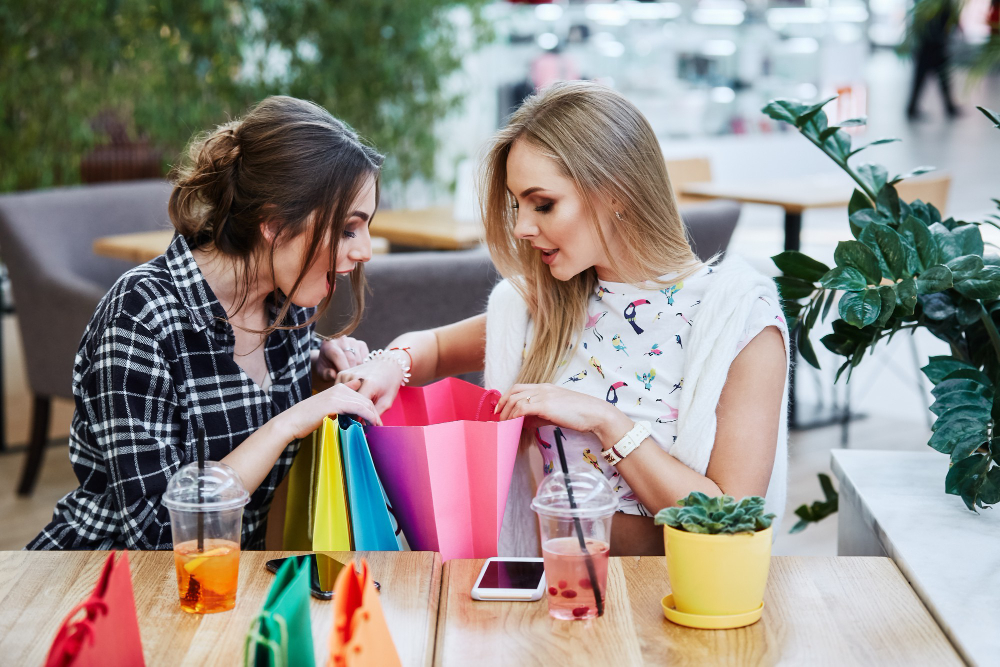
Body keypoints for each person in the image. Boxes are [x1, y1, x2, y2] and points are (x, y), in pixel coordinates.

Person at [336, 82, 790, 557]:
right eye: (517, 205)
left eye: (543, 204)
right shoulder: (543, 307)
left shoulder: (739, 321)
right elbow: (433, 349)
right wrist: (389, 363)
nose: (520, 228)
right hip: (547, 600)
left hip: (671, 610)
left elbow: (728, 527)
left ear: (616, 191)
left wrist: (607, 421)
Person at [28, 96, 387, 550]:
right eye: (348, 229)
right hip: (105, 586)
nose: (365, 251)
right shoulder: (140, 316)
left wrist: (319, 367)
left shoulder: (287, 307)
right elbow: (158, 533)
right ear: (274, 225)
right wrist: (287, 423)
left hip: (226, 591)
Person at [906, 0, 961, 120]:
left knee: (940, 80)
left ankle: (949, 108)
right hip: (929, 46)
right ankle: (912, 109)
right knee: (924, 80)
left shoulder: (938, 4)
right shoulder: (931, 4)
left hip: (933, 46)